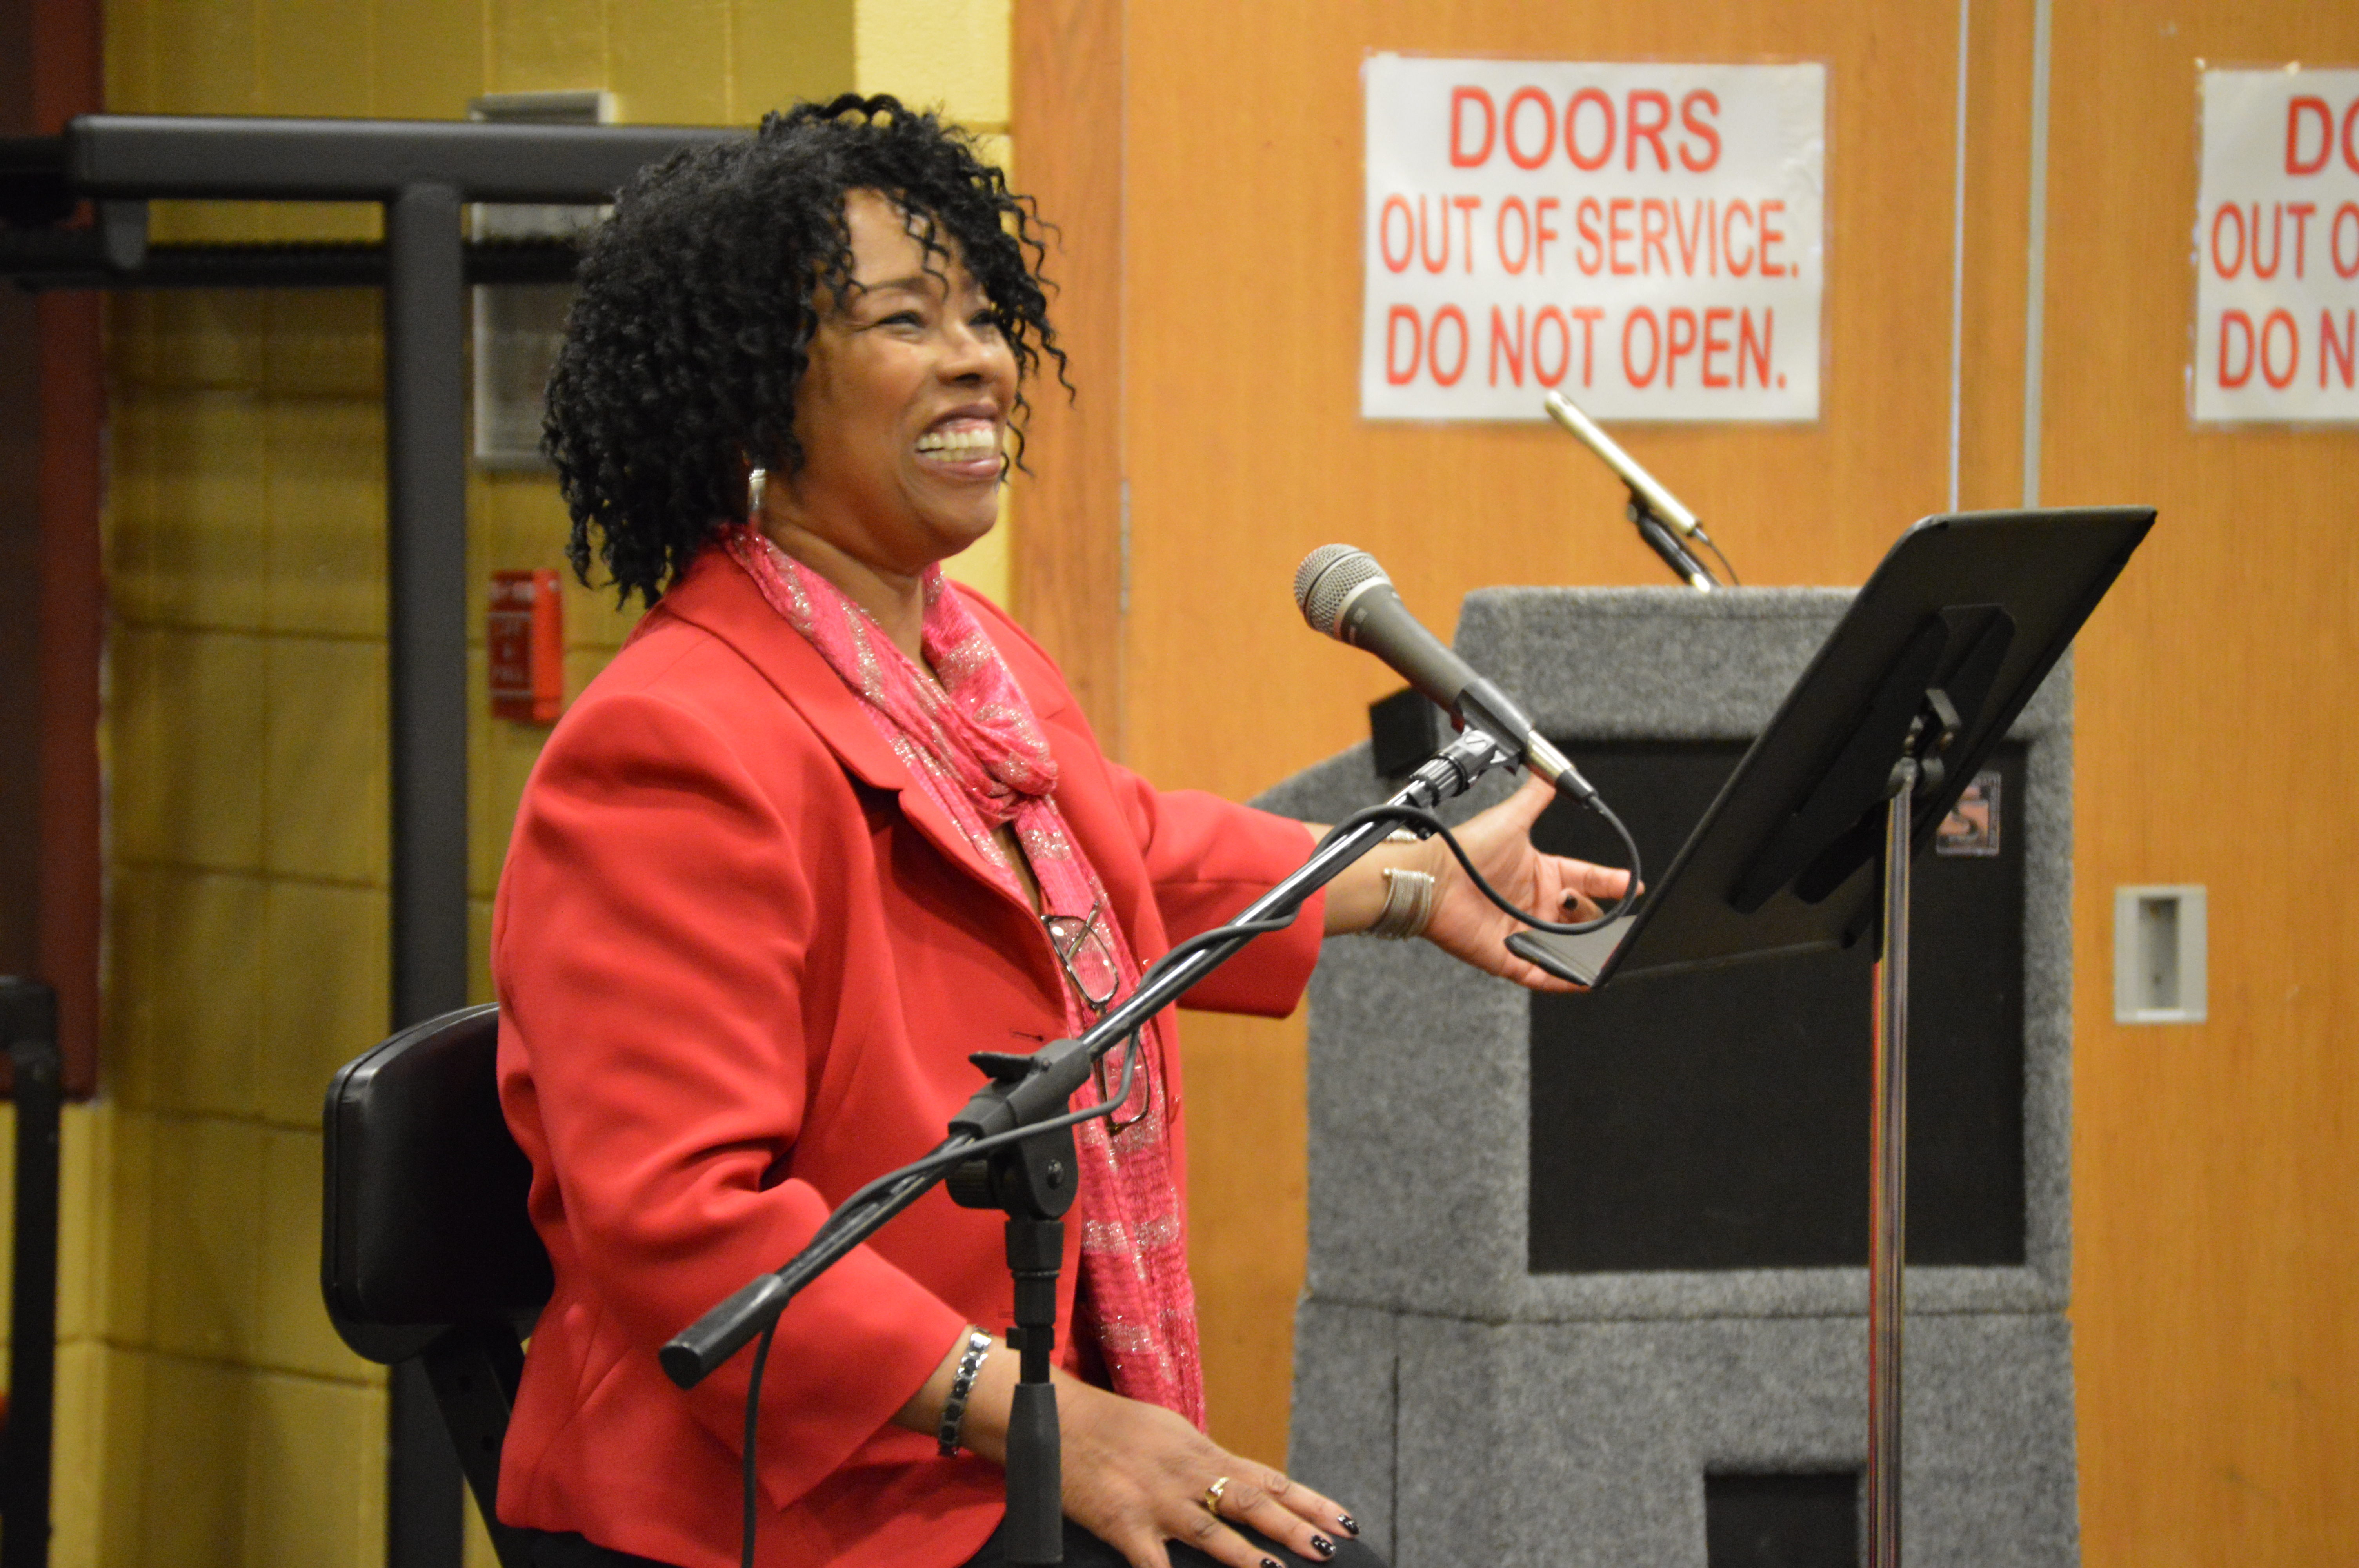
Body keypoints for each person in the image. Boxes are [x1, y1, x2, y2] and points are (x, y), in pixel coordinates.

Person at [493, 96, 1630, 1568]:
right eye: (905, 320)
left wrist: (1413, 879)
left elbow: (1116, 857)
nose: (975, 354)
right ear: (758, 398)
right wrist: (1058, 1419)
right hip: (785, 1495)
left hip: (978, 1439)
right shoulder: (671, 746)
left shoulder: (967, 661)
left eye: (983, 312)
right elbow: (684, 1230)